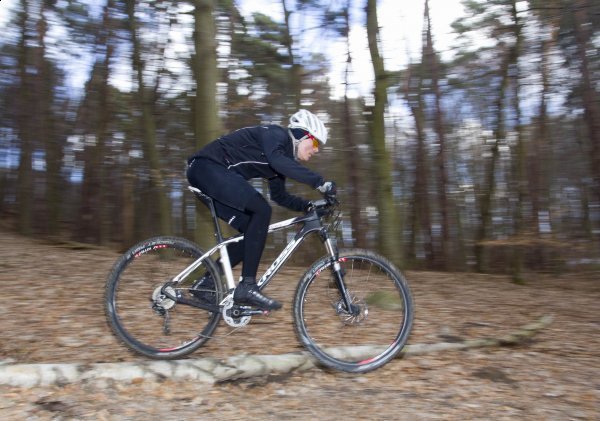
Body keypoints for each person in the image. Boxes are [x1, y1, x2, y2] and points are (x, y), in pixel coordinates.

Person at [186, 109, 336, 311]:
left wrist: (308, 206)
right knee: (261, 210)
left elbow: (280, 196)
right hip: (207, 168)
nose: (316, 150)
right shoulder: (275, 135)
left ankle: (205, 284)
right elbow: (278, 162)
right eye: (316, 143)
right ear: (303, 135)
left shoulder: (280, 160)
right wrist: (320, 183)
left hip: (211, 175)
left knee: (252, 230)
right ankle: (247, 286)